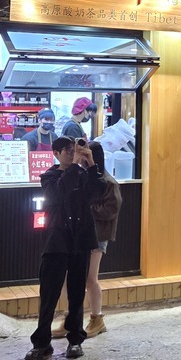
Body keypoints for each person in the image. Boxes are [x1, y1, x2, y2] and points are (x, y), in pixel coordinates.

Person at [26, 136, 103, 360]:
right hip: (56, 241)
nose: (72, 153)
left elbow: (98, 193)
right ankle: (41, 343)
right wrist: (75, 166)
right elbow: (56, 194)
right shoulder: (49, 176)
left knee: (77, 293)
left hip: (80, 241)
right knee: (49, 294)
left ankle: (75, 340)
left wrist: (90, 163)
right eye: (67, 150)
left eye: (74, 149)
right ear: (56, 153)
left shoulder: (83, 174)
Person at [53, 141, 121, 340]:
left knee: (90, 279)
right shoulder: (84, 177)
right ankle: (70, 319)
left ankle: (97, 318)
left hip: (97, 236)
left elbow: (111, 209)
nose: (79, 156)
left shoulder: (107, 181)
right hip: (81, 234)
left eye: (84, 154)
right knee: (71, 279)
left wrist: (86, 210)